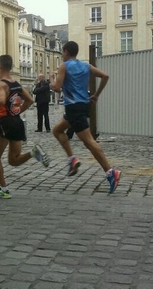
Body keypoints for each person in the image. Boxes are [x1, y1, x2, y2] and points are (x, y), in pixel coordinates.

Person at [0, 55, 49, 199]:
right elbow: (30, 100)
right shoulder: (17, 84)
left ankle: (4, 189)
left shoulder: (0, 84)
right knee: (14, 160)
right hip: (17, 121)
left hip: (4, 123)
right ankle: (33, 152)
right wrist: (17, 111)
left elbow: (1, 100)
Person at [50, 41, 121, 193]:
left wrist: (51, 80)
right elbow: (105, 76)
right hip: (81, 106)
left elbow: (56, 88)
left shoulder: (65, 66)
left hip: (73, 107)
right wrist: (96, 95)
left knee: (89, 142)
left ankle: (111, 172)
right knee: (57, 130)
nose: (62, 55)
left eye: (62, 52)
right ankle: (72, 159)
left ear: (66, 52)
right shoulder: (86, 66)